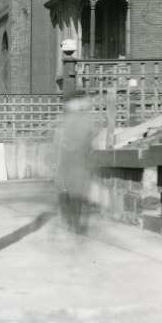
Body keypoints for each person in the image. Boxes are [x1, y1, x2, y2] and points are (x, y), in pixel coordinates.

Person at [54, 98, 98, 234]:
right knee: (71, 194)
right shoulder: (69, 123)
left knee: (75, 195)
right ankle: (73, 221)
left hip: (76, 165)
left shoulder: (80, 122)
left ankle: (74, 221)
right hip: (70, 165)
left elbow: (88, 144)